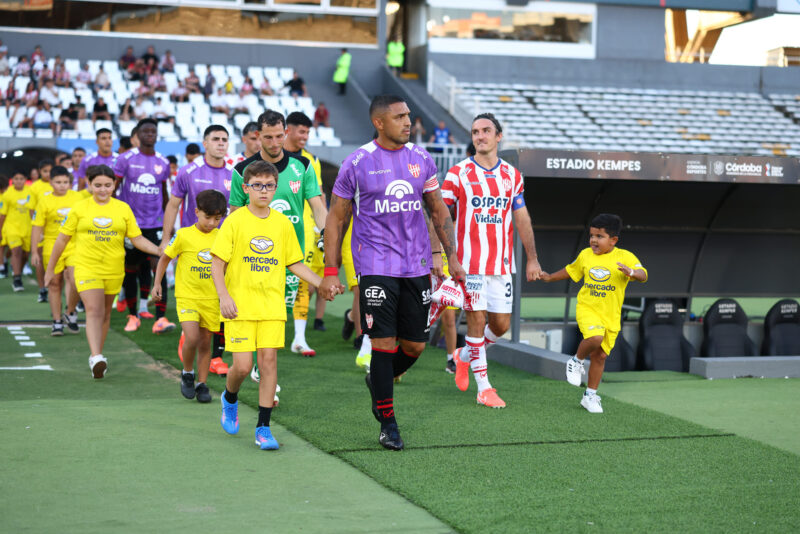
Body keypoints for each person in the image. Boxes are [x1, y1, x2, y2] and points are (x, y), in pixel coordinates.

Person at [319, 94, 465, 451]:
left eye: (408, 115)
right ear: (379, 122)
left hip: (415, 266)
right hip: (375, 266)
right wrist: (331, 270)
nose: (408, 122)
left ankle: (378, 380)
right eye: (399, 116)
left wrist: (452, 257)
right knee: (383, 343)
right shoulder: (356, 163)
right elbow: (337, 218)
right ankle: (388, 423)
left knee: (414, 345)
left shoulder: (421, 158)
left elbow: (438, 210)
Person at [211, 160, 331, 450]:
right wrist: (224, 296)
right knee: (241, 367)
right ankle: (230, 397)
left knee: (268, 363)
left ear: (276, 188)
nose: (263, 190)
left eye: (269, 185)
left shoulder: (282, 224)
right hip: (239, 306)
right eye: (257, 185)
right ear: (246, 188)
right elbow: (217, 263)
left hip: (272, 306)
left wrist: (321, 283)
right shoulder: (234, 221)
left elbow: (295, 263)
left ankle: (263, 428)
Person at [441, 113, 543, 408]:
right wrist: (444, 255)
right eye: (475, 132)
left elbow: (521, 217)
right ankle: (484, 388)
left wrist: (532, 259)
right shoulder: (458, 173)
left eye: (486, 130)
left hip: (501, 264)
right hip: (470, 265)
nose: (480, 136)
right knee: (477, 320)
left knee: (500, 326)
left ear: (499, 136)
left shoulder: (512, 176)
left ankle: (463, 356)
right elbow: (440, 215)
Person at [229, 111, 327, 362]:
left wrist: (326, 234)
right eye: (268, 137)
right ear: (257, 135)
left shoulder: (302, 166)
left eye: (278, 136)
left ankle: (260, 366)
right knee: (254, 315)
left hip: (290, 256)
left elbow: (317, 206)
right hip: (254, 257)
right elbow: (235, 217)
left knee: (278, 316)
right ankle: (251, 364)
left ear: (285, 133)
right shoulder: (241, 170)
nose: (274, 143)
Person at [45, 165, 161, 378]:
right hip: (86, 267)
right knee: (94, 310)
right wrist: (50, 269)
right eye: (97, 185)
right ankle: (96, 356)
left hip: (114, 269)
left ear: (114, 185)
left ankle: (96, 356)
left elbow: (136, 239)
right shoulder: (79, 208)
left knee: (106, 313)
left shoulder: (123, 208)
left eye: (107, 185)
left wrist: (159, 250)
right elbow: (62, 239)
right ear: (89, 184)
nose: (103, 190)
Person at [541, 214, 647, 413]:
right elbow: (571, 270)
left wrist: (631, 272)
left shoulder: (625, 257)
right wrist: (549, 277)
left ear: (613, 240)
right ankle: (576, 361)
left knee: (600, 356)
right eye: (591, 236)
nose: (593, 241)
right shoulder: (585, 255)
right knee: (595, 337)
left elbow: (643, 274)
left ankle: (590, 396)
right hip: (588, 308)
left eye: (599, 236)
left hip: (611, 315)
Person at [161, 125, 233, 377]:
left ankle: (215, 356)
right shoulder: (189, 171)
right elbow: (173, 205)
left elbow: (236, 212)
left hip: (222, 247)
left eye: (225, 139)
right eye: (216, 139)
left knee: (221, 300)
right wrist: (166, 237)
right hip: (193, 246)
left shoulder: (234, 174)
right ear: (205, 143)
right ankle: (190, 335)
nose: (221, 143)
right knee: (198, 295)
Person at [153, 189, 226, 403]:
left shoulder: (222, 237)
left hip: (211, 299)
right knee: (192, 337)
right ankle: (187, 373)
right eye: (208, 217)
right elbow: (165, 258)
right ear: (196, 212)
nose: (212, 223)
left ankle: (202, 384)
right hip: (187, 297)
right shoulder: (184, 235)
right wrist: (157, 283)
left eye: (217, 218)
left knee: (205, 343)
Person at [113, 118, 174, 334]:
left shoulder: (162, 162)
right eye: (146, 131)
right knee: (131, 269)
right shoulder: (125, 159)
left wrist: (168, 224)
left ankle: (160, 318)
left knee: (160, 265)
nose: (150, 134)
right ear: (137, 135)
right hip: (131, 225)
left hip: (155, 224)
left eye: (153, 131)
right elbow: (114, 189)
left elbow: (165, 194)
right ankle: (133, 316)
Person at [283, 112, 326, 345]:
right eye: (301, 131)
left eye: (308, 132)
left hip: (305, 228)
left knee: (302, 281)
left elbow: (318, 195)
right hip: (275, 226)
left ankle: (299, 338)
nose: (305, 136)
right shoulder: (273, 155)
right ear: (288, 130)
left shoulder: (311, 160)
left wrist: (324, 228)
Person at [31, 166, 82, 335]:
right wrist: (34, 252)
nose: (62, 185)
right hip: (51, 245)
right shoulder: (44, 201)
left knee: (76, 280)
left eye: (65, 182)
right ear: (51, 182)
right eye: (58, 182)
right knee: (54, 283)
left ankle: (70, 311)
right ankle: (57, 321)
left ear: (70, 182)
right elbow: (37, 227)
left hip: (74, 244)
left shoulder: (78, 198)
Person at [0, 172, 34, 292]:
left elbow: (33, 210)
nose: (19, 181)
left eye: (21, 178)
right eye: (16, 178)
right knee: (16, 251)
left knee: (25, 254)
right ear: (12, 180)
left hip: (27, 228)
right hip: (12, 228)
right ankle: (17, 279)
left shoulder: (31, 192)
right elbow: (2, 214)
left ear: (25, 179)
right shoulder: (7, 194)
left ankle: (15, 268)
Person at [30, 159, 54, 303]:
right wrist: (37, 230)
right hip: (41, 229)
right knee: (39, 257)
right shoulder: (35, 187)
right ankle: (42, 289)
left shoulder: (57, 184)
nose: (48, 174)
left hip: (56, 230)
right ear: (40, 172)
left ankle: (54, 288)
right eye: (45, 171)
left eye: (50, 171)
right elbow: (32, 210)